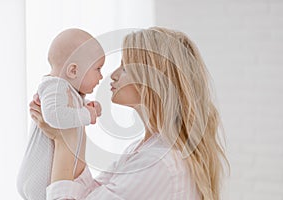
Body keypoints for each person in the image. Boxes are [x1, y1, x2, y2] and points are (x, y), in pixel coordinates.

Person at [29, 27, 229, 200]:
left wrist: (63, 139)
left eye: (124, 67)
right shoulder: (144, 149)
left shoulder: (156, 163)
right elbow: (89, 194)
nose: (113, 75)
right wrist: (71, 127)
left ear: (151, 81)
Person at [17, 28, 105, 200]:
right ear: (73, 71)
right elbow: (55, 116)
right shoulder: (54, 86)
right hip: (40, 180)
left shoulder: (68, 90)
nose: (101, 76)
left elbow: (67, 110)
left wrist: (88, 106)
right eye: (98, 69)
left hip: (52, 178)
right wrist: (86, 114)